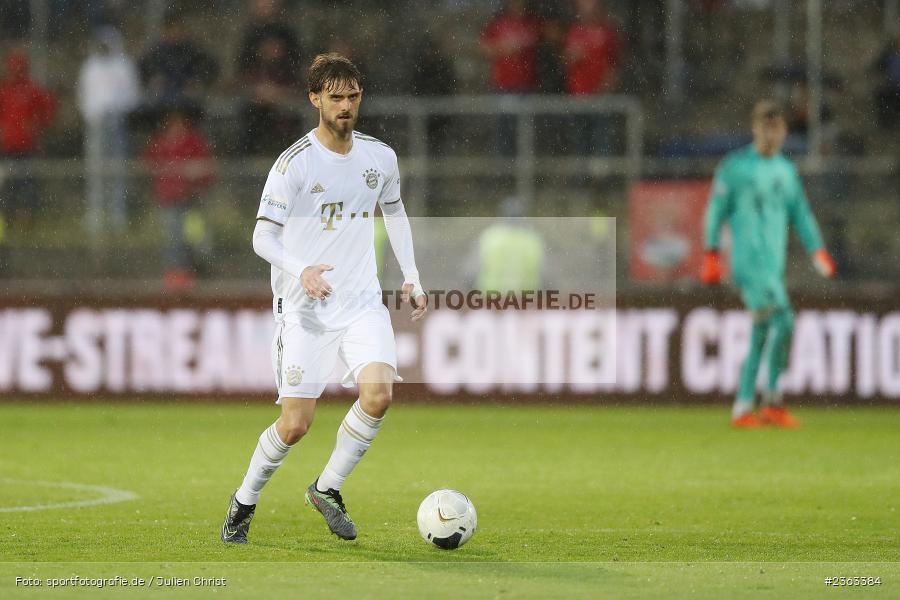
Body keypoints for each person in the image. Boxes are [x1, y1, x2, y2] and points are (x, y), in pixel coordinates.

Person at [221, 53, 428, 544]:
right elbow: (262, 239)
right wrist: (301, 269)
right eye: (335, 97)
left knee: (378, 395)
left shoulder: (380, 157)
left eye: (353, 96)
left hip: (360, 302)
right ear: (315, 99)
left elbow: (395, 215)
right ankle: (244, 501)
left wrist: (412, 275)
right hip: (303, 308)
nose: (346, 106)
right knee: (295, 425)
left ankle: (327, 488)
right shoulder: (294, 164)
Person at [701, 100, 836, 429]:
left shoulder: (786, 172)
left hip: (773, 267)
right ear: (755, 129)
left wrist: (817, 249)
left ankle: (744, 406)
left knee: (762, 332)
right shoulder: (734, 167)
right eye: (766, 128)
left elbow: (800, 214)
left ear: (785, 132)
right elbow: (715, 211)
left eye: (777, 128)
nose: (771, 135)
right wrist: (711, 253)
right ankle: (772, 400)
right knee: (785, 320)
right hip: (749, 265)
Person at [143, 105, 215, 290]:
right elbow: (149, 166)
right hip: (170, 201)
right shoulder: (161, 142)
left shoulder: (194, 141)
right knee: (173, 239)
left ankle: (196, 273)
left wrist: (191, 172)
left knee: (196, 239)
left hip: (192, 201)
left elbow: (206, 168)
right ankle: (177, 277)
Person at [77, 26, 141, 235]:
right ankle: (96, 214)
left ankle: (117, 215)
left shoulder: (124, 66)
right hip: (95, 125)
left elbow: (133, 95)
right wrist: (94, 115)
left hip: (117, 123)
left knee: (117, 171)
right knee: (96, 171)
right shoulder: (90, 67)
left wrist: (115, 110)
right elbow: (84, 96)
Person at [236, 0, 303, 155]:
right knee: (248, 115)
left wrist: (280, 92)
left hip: (287, 97)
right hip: (256, 99)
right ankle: (248, 161)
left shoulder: (288, 34)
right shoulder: (249, 36)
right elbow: (242, 72)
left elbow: (297, 72)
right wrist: (258, 90)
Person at [0, 49, 57, 232]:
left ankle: (25, 228)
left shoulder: (32, 89)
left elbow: (50, 108)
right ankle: (7, 227)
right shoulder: (4, 91)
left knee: (27, 187)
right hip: (7, 148)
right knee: (7, 188)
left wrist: (37, 125)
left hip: (27, 147)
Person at [480, 0, 542, 155]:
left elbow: (554, 34)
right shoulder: (499, 24)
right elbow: (483, 47)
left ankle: (525, 171)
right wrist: (504, 48)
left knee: (527, 133)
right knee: (504, 131)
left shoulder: (532, 22)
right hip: (504, 87)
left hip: (527, 87)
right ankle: (505, 172)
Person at [562, 0, 621, 155]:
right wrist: (573, 56)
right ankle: (580, 176)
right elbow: (566, 60)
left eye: (591, 7)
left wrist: (606, 87)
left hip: (600, 96)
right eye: (583, 8)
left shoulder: (607, 32)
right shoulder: (575, 31)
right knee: (579, 139)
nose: (587, 11)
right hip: (578, 96)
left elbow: (614, 64)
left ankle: (601, 176)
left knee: (602, 138)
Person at [872, 23, 900, 128]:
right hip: (891, 90)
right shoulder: (888, 54)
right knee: (883, 95)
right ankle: (886, 127)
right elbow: (876, 69)